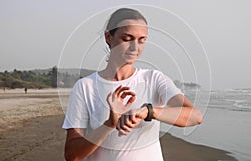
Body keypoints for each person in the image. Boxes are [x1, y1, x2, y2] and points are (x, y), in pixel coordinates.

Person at [62, 8, 203, 161]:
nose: (135, 47)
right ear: (108, 37)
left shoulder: (154, 79)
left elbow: (195, 116)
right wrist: (110, 124)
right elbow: (72, 155)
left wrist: (148, 112)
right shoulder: (85, 87)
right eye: (127, 38)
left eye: (142, 40)